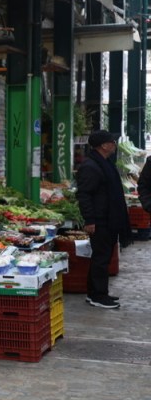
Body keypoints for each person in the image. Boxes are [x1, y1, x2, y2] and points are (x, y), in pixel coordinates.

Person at [75, 130, 130, 309]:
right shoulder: (91, 166)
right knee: (101, 258)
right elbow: (84, 195)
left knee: (102, 257)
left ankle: (95, 293)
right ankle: (98, 295)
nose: (115, 144)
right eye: (112, 141)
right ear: (104, 145)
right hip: (100, 220)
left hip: (109, 218)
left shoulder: (104, 163)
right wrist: (90, 220)